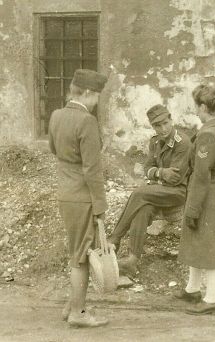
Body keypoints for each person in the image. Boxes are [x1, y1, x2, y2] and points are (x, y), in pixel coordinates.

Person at [48, 69, 110, 327]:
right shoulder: (87, 122)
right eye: (96, 97)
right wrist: (100, 205)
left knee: (76, 251)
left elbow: (54, 149)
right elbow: (92, 170)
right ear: (86, 93)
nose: (97, 102)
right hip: (83, 197)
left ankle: (73, 304)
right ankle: (78, 313)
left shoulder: (56, 115)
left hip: (66, 193)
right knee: (82, 255)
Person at [109, 104, 191, 276]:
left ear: (171, 119)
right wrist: (161, 173)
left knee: (139, 193)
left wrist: (156, 174)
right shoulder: (154, 142)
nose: (162, 129)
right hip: (159, 191)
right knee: (142, 209)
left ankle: (115, 238)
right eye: (157, 125)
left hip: (178, 193)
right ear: (152, 126)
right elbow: (147, 168)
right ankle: (132, 260)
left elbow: (175, 178)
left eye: (165, 123)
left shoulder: (182, 143)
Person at [176, 85, 215, 315]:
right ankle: (192, 289)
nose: (196, 113)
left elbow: (201, 176)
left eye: (197, 108)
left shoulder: (208, 134)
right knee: (197, 240)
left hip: (206, 197)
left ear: (203, 107)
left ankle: (212, 299)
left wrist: (192, 208)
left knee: (210, 247)